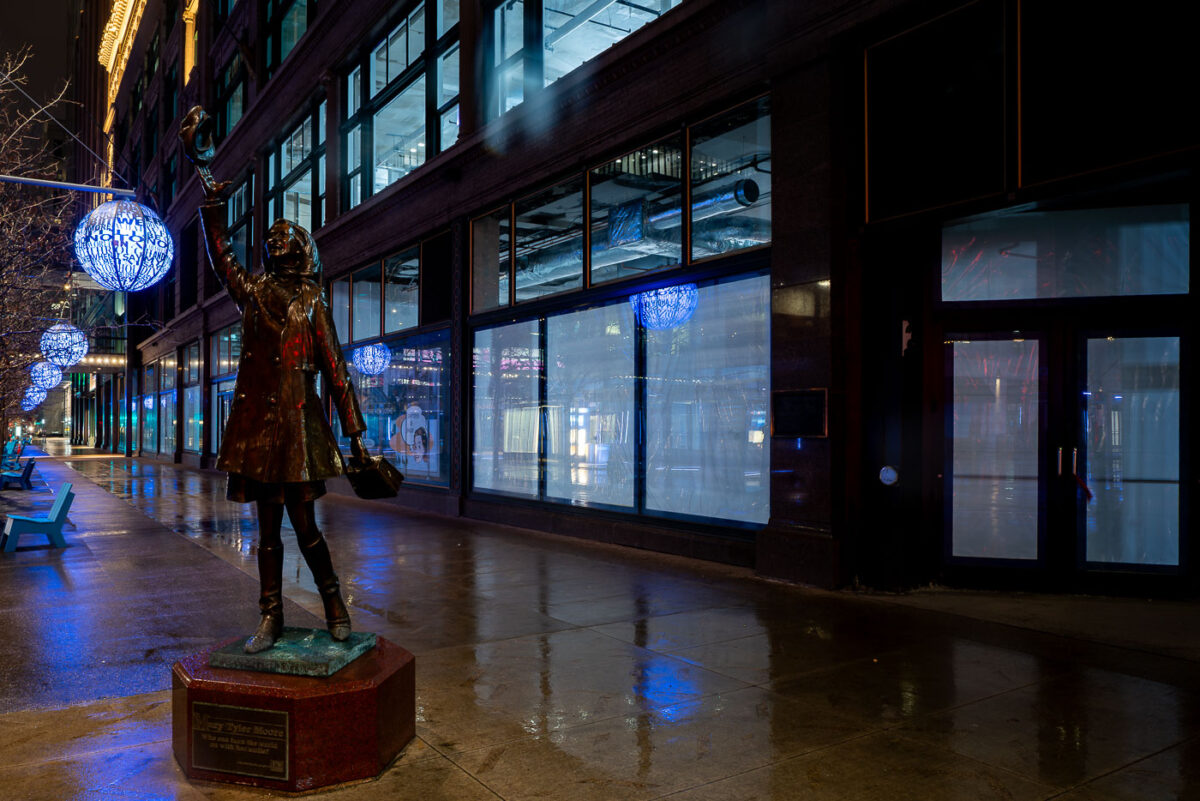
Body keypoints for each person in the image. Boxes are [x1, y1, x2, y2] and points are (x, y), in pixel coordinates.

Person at [180, 106, 370, 653]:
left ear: (302, 248)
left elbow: (335, 369)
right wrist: (212, 200)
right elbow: (221, 259)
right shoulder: (255, 292)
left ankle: (333, 601)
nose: (277, 237)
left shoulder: (313, 301)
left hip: (297, 426)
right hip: (259, 431)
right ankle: (271, 617)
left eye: (288, 232)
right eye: (273, 234)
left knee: (305, 527)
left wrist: (356, 435)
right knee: (266, 533)